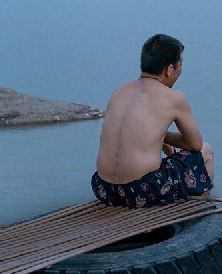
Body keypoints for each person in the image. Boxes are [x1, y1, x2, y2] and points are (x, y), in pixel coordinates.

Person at [91, 33, 214, 208]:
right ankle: (199, 206)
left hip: (104, 188)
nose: (180, 71)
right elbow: (195, 145)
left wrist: (160, 136)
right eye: (180, 65)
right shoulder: (174, 98)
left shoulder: (119, 91)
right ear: (169, 69)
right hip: (141, 190)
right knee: (206, 150)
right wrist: (163, 135)